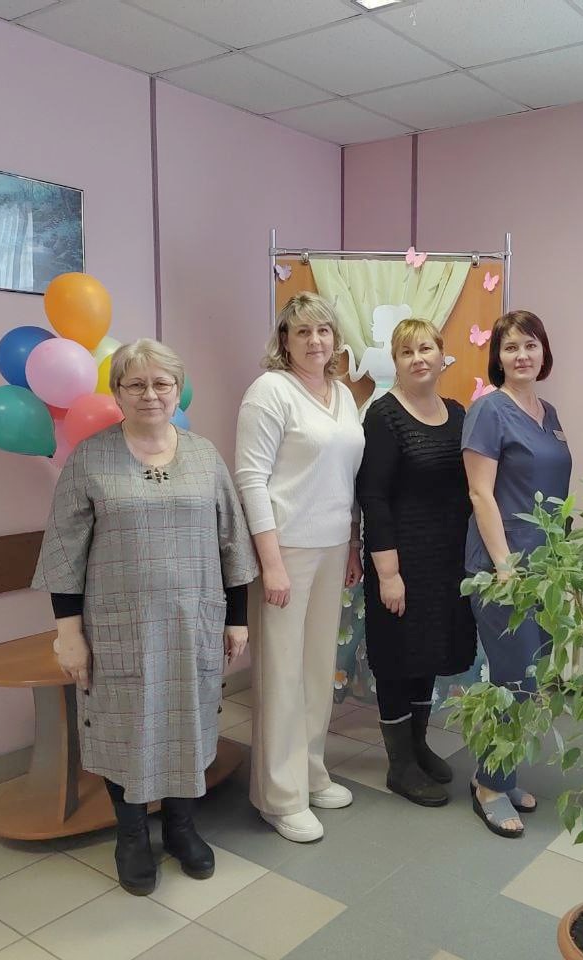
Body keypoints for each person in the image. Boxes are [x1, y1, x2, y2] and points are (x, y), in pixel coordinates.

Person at [32, 339, 258, 896]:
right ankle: (131, 834)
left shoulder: (204, 456)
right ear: (117, 393)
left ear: (177, 391)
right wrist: (68, 634)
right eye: (135, 384)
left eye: (161, 383)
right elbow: (64, 551)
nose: (149, 394)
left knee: (187, 720)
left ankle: (181, 827)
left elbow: (232, 541)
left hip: (193, 623)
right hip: (118, 626)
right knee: (123, 725)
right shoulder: (91, 459)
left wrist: (236, 618)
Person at [235, 292, 365, 843]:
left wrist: (353, 543)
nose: (315, 341)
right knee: (282, 674)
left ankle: (311, 772)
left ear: (336, 339)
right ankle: (279, 796)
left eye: (324, 331)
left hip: (333, 546)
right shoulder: (270, 391)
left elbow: (346, 479)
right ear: (284, 340)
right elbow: (250, 479)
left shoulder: (343, 395)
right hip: (285, 549)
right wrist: (271, 565)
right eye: (303, 331)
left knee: (316, 669)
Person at [357, 318, 476, 807]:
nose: (418, 359)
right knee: (396, 658)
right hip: (399, 559)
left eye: (425, 348)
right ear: (396, 362)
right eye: (406, 352)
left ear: (442, 354)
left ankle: (419, 745)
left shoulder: (457, 413)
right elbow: (373, 496)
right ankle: (399, 764)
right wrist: (388, 574)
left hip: (444, 561)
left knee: (428, 651)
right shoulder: (383, 415)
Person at [462, 310, 572, 838]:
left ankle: (502, 774)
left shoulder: (549, 413)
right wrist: (505, 565)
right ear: (498, 357)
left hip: (546, 568)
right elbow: (480, 493)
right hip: (503, 568)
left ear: (543, 351)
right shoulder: (489, 410)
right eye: (510, 347)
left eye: (530, 344)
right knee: (512, 679)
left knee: (532, 681)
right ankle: (489, 784)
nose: (522, 355)